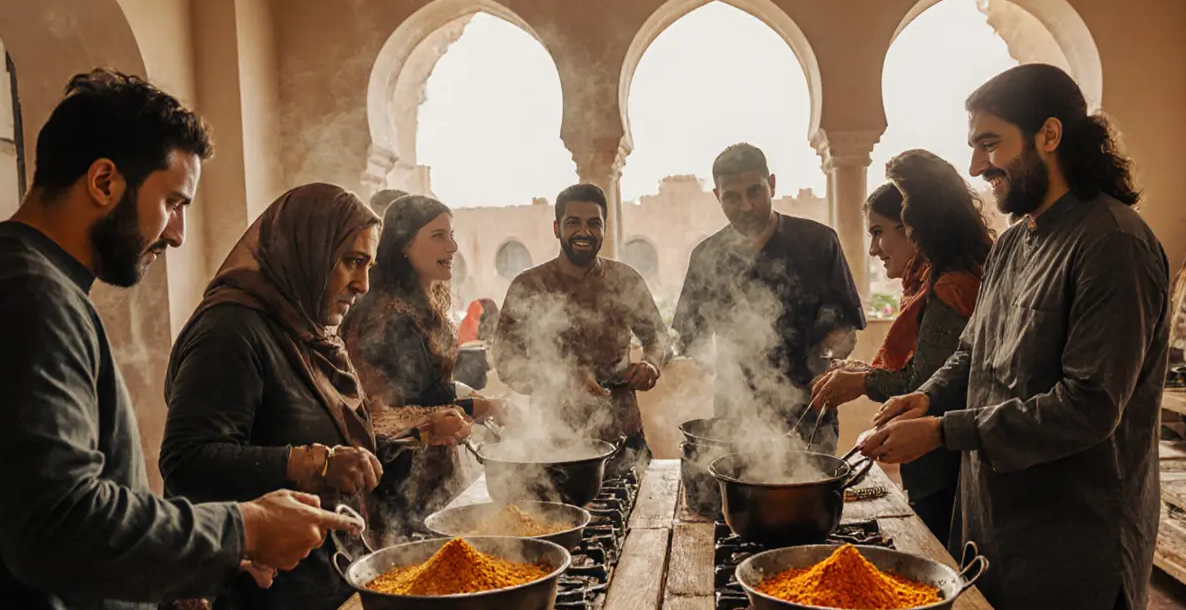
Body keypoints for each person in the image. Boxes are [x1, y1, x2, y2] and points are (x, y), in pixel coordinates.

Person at [0, 70, 359, 610]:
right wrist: (242, 527)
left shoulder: (12, 276)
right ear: (104, 180)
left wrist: (210, 548)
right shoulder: (31, 297)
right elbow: (56, 524)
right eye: (173, 203)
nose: (177, 234)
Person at [862, 64, 1168, 610]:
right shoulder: (1013, 243)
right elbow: (972, 352)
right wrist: (925, 398)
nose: (976, 166)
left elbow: (1089, 407)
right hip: (993, 524)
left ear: (1049, 135)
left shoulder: (1113, 244)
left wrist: (944, 431)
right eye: (975, 146)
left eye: (990, 143)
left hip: (1074, 542)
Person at [159, 184, 469, 610]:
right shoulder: (231, 330)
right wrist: (311, 463)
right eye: (349, 262)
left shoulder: (308, 333)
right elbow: (187, 461)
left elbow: (348, 450)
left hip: (324, 582)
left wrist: (420, 432)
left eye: (367, 265)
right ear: (304, 250)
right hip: (257, 601)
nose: (363, 284)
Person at [807, 149, 993, 545]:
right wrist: (860, 373)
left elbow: (925, 384)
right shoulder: (933, 282)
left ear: (912, 226)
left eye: (878, 232)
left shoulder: (948, 286)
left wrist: (862, 382)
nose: (873, 249)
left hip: (948, 465)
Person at [673, 143, 867, 453]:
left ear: (772, 184)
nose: (747, 206)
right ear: (717, 196)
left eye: (755, 191)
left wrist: (833, 349)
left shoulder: (819, 242)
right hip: (735, 416)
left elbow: (846, 328)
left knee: (810, 495)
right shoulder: (706, 256)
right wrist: (729, 369)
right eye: (732, 197)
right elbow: (690, 338)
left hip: (810, 411)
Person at [343, 194, 505, 537]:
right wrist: (486, 406)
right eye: (438, 236)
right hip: (398, 471)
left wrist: (475, 400)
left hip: (432, 465)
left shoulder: (418, 302)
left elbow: (432, 382)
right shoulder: (385, 315)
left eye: (452, 234)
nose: (453, 246)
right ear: (404, 243)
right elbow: (410, 398)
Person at [494, 183, 667, 471]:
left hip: (623, 437)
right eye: (573, 222)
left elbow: (658, 338)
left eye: (593, 223)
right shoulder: (528, 286)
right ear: (556, 227)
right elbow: (505, 361)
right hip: (553, 441)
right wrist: (562, 378)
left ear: (604, 228)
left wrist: (651, 364)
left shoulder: (626, 280)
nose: (583, 232)